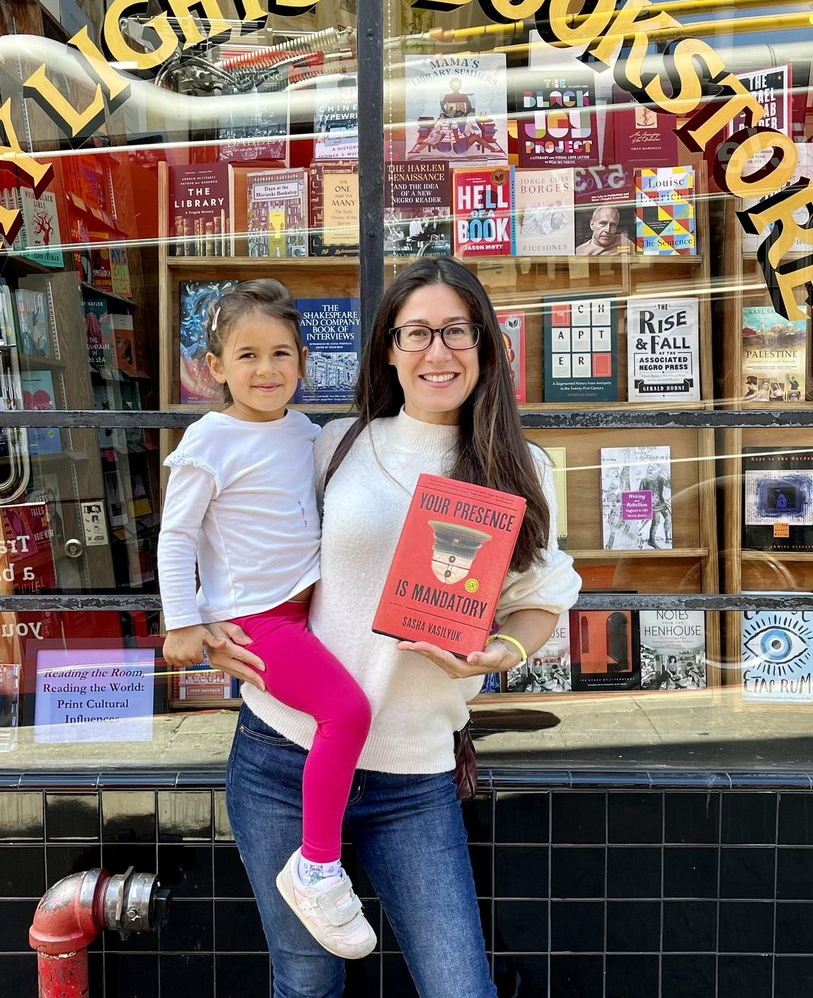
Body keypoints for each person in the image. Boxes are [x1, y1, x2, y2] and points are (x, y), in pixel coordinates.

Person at [206, 257, 581, 996]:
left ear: (485, 344)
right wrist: (217, 617)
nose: (436, 353)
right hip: (286, 754)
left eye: (455, 332)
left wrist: (498, 652)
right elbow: (246, 539)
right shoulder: (335, 445)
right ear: (387, 348)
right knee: (307, 983)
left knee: (458, 987)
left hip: (414, 778)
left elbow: (543, 596)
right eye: (415, 333)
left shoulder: (517, 467)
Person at [158, 279, 376, 960]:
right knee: (347, 714)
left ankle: (318, 855)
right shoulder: (207, 441)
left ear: (303, 362)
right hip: (257, 623)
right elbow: (175, 537)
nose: (266, 369)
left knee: (341, 714)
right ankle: (314, 866)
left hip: (307, 608)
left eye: (281, 353)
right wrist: (183, 623)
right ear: (214, 368)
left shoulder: (306, 433)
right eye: (246, 355)